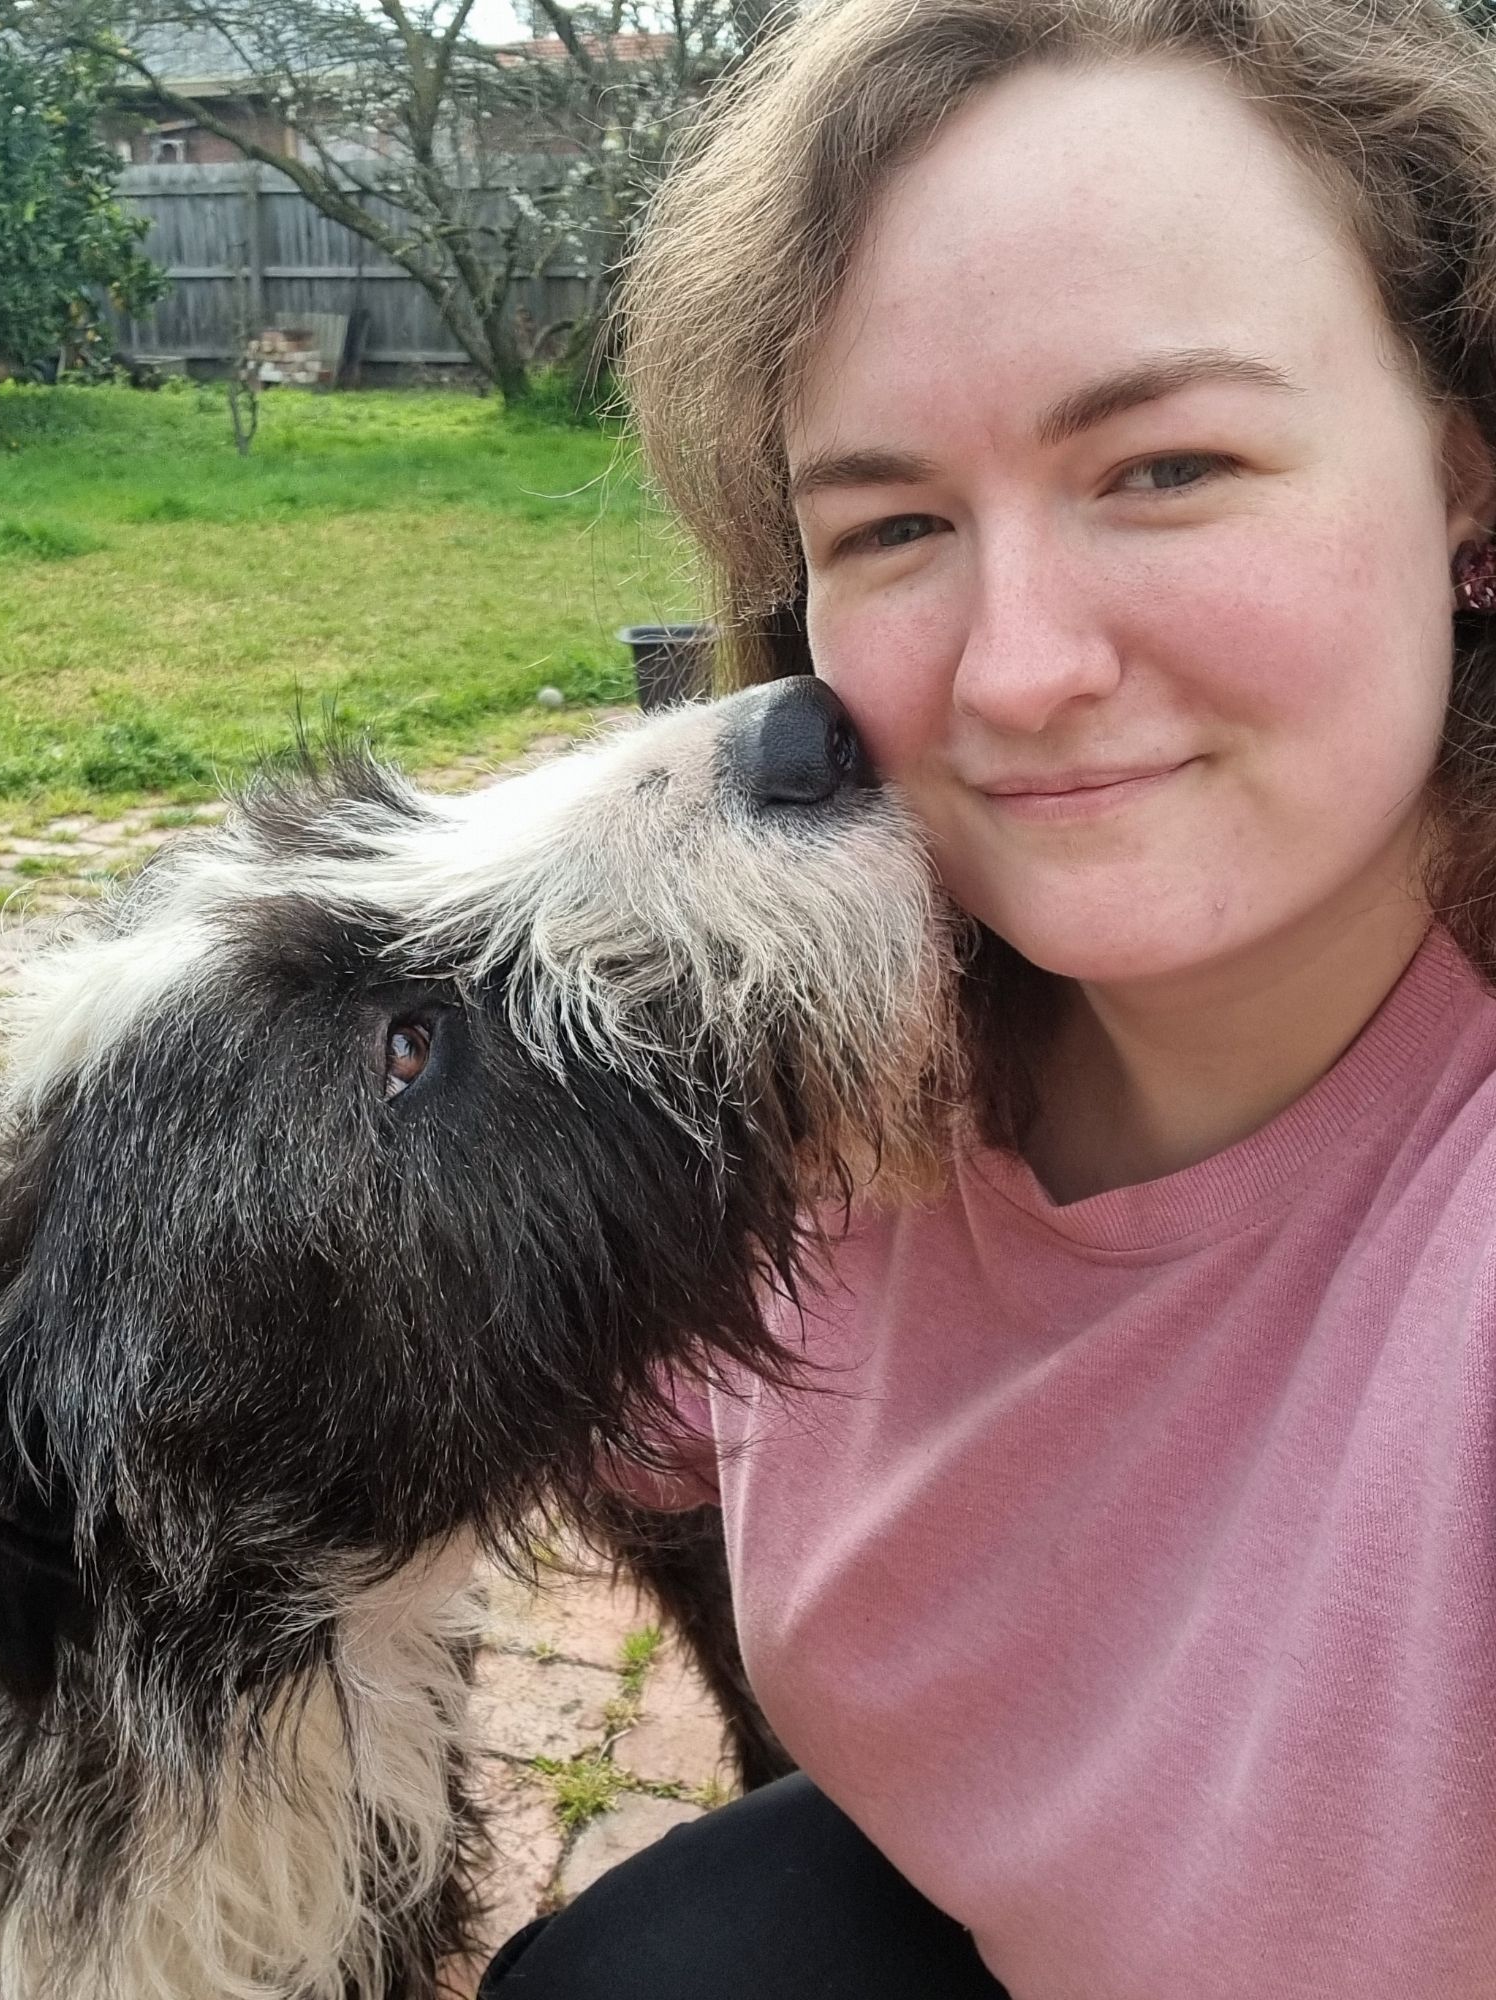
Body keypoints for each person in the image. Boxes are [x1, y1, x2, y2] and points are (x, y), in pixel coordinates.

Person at [478, 0, 1496, 1994]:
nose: (1014, 670)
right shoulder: (836, 1079)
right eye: (894, 525)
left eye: (1167, 463)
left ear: (1468, 481)